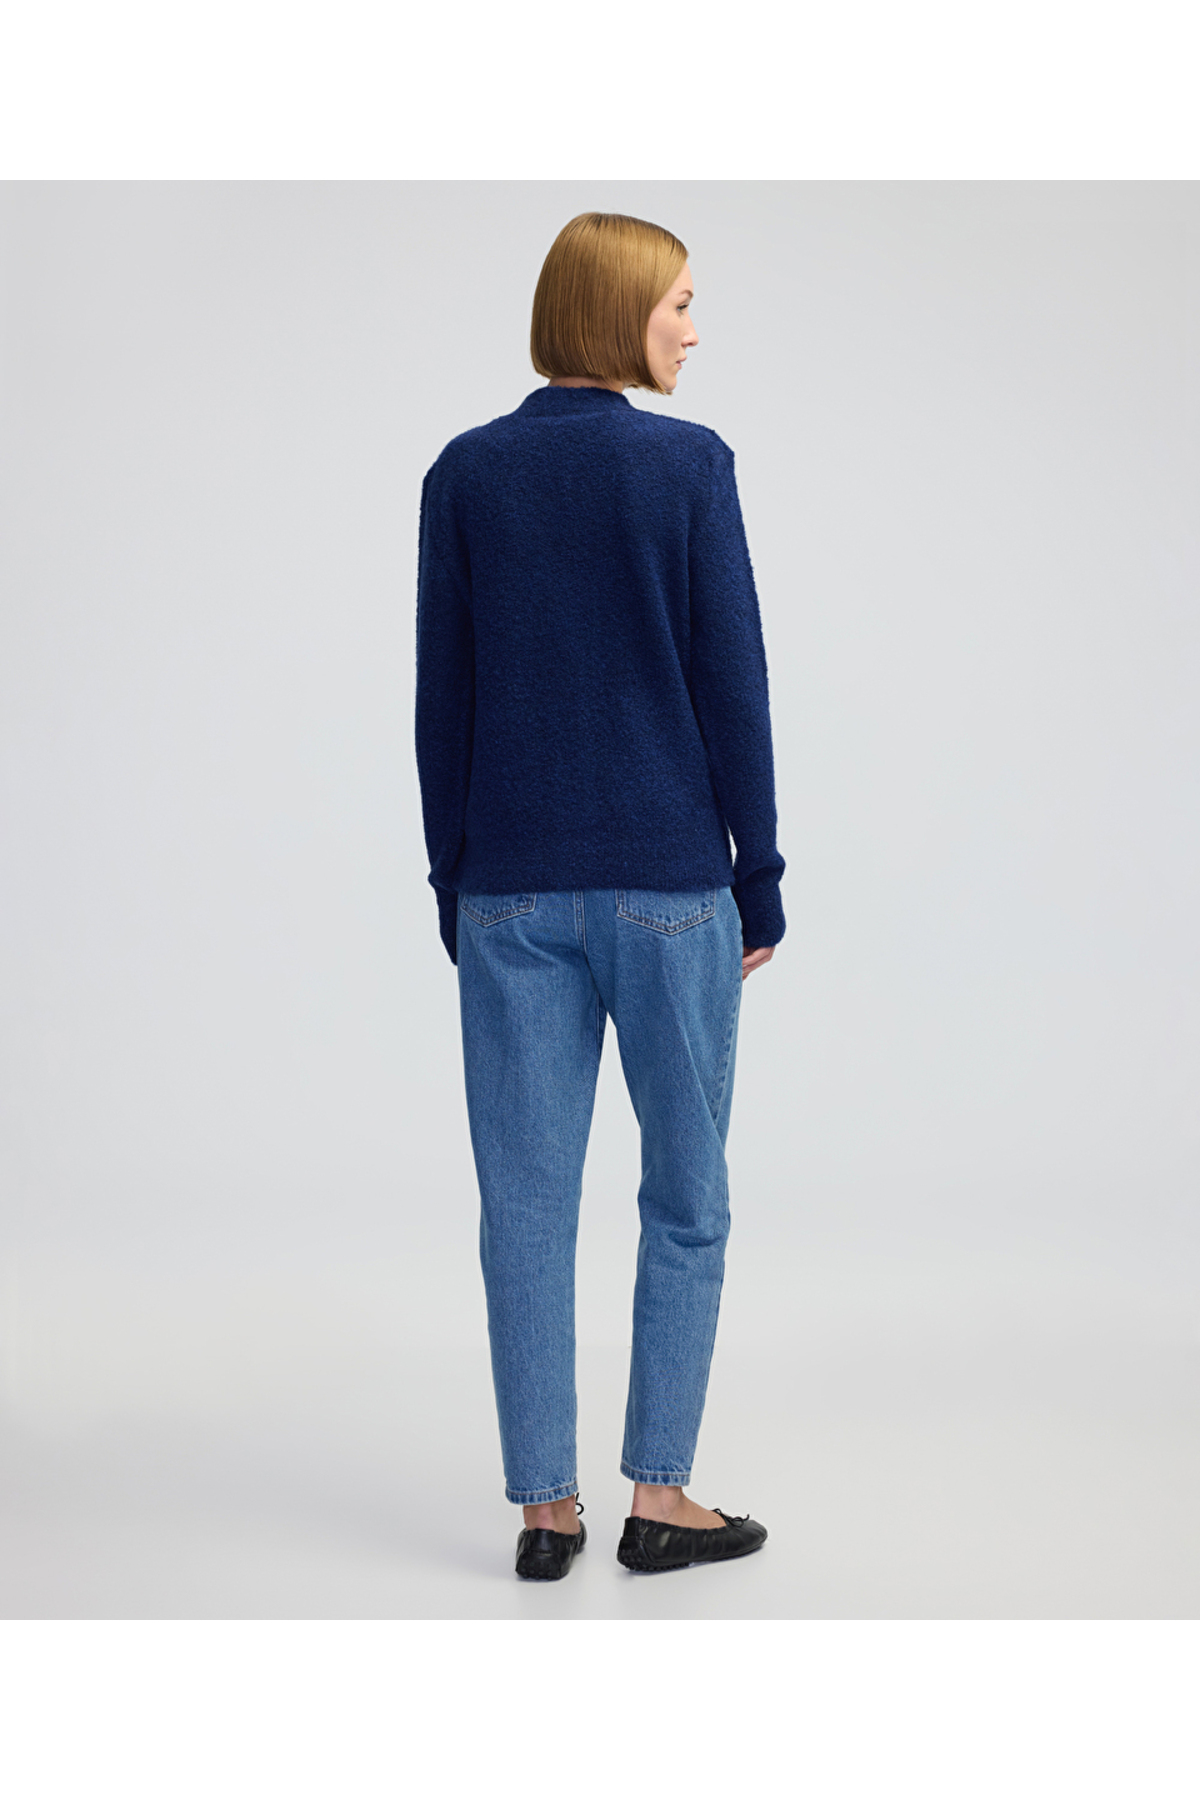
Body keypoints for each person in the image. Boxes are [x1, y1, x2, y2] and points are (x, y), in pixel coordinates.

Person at [414, 211, 785, 1580]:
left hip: (508, 896)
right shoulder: (687, 467)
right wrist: (761, 876)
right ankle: (660, 1497)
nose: (693, 327)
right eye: (678, 301)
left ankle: (544, 1513)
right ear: (619, 308)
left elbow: (441, 698)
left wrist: (456, 879)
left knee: (523, 1205)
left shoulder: (465, 474)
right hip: (672, 891)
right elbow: (733, 681)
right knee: (684, 1194)